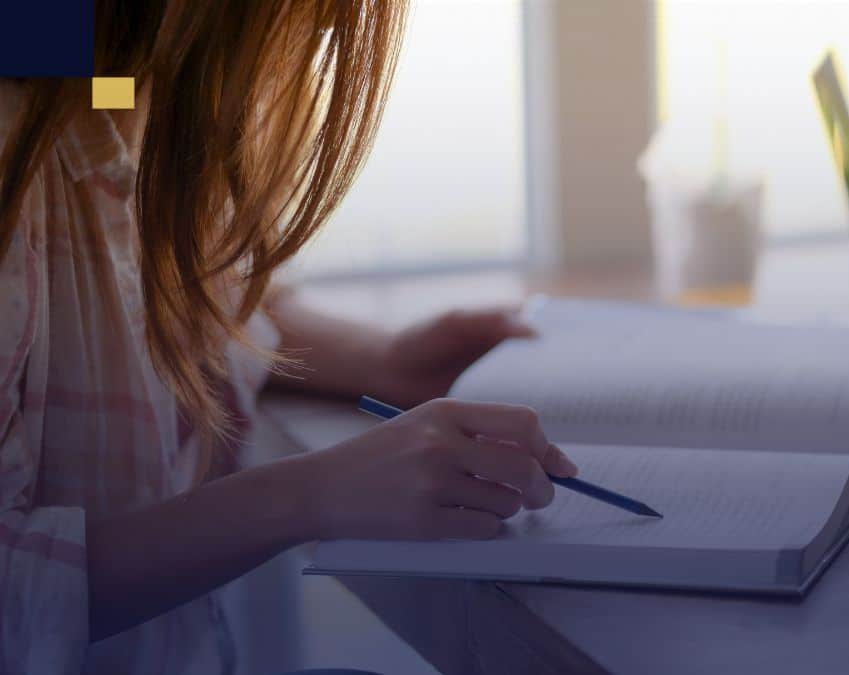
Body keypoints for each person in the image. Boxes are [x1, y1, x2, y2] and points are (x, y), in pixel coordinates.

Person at [0, 1, 578, 673]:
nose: (332, 26)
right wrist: (310, 494)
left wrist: (380, 358)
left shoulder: (112, 86)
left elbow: (179, 292)